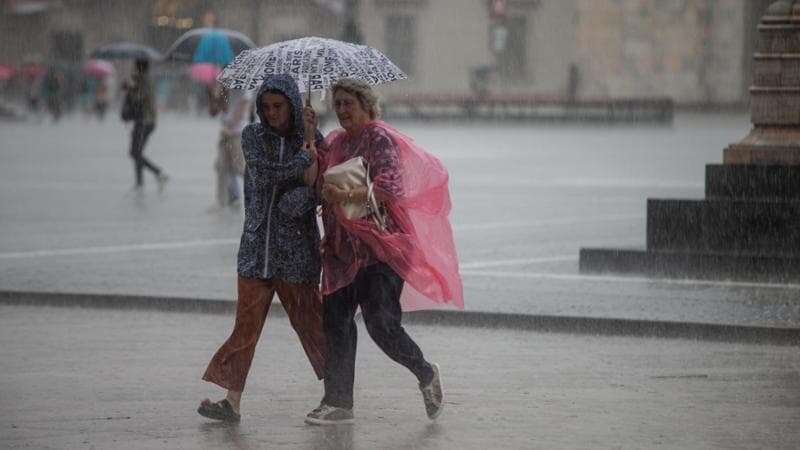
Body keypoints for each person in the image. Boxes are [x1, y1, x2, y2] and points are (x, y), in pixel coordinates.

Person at [303, 78, 464, 425]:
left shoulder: (379, 138)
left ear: (366, 105)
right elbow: (319, 186)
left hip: (379, 250)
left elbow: (389, 187)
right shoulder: (334, 142)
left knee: (382, 325)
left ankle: (424, 372)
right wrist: (308, 138)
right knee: (336, 324)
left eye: (349, 103)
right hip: (340, 250)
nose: (342, 110)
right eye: (338, 103)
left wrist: (344, 193)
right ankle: (338, 402)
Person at [198, 74, 326, 422]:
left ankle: (337, 394)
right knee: (246, 327)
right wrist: (302, 161)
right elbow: (266, 173)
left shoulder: (314, 139)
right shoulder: (253, 136)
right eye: (267, 107)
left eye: (279, 107)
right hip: (257, 250)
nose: (272, 113)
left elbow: (320, 188)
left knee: (310, 323)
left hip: (296, 253)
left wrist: (312, 144)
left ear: (293, 107)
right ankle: (232, 401)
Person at [122, 58, 168, 192]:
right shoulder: (141, 80)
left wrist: (129, 89)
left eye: (134, 66)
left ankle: (158, 173)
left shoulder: (144, 81)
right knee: (137, 152)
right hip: (143, 121)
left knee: (135, 152)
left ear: (139, 67)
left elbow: (139, 98)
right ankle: (140, 182)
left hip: (145, 121)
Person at [208, 84, 251, 211]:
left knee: (240, 167)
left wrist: (230, 126)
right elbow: (214, 112)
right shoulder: (224, 88)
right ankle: (220, 202)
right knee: (221, 166)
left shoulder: (244, 87)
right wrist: (214, 95)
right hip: (225, 134)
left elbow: (242, 109)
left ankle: (256, 195)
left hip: (238, 133)